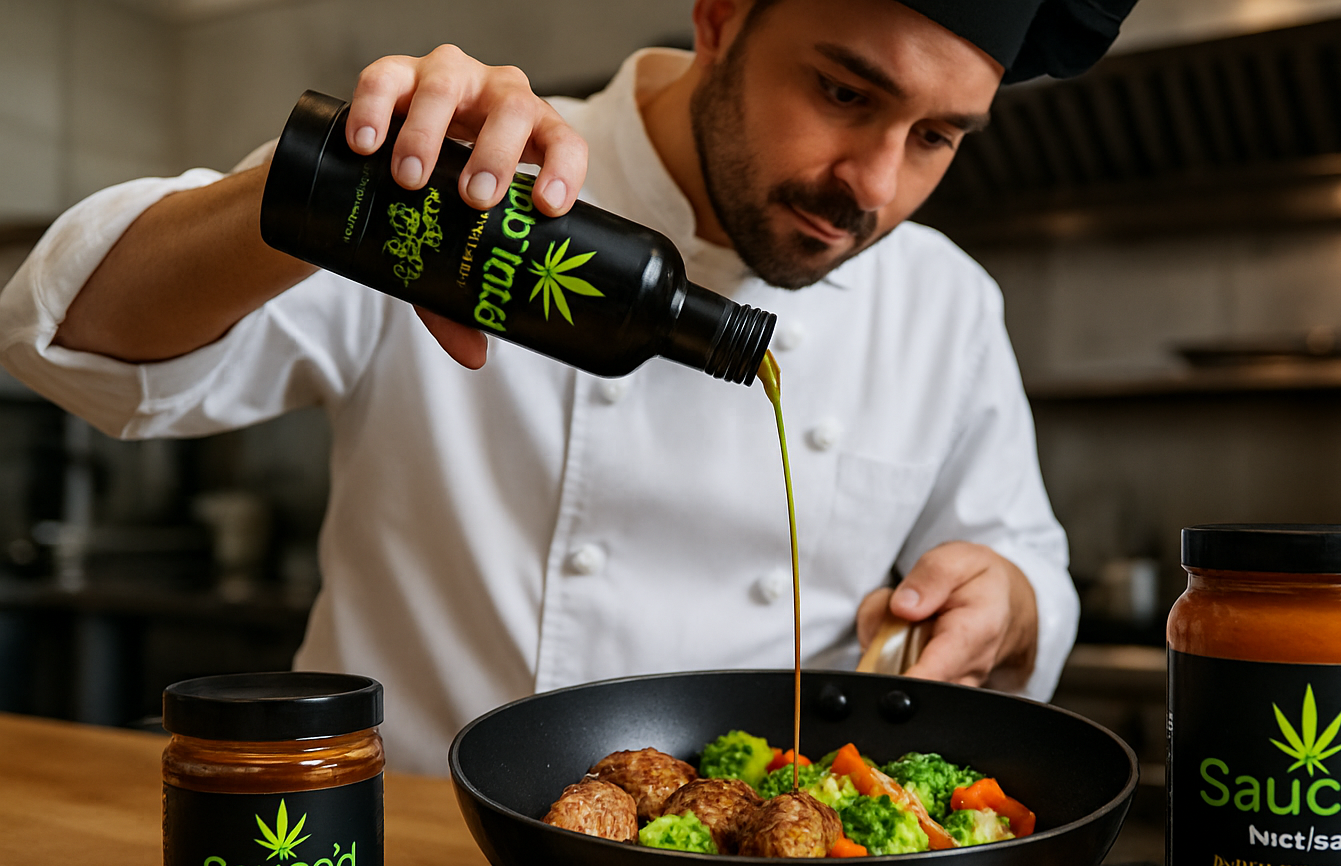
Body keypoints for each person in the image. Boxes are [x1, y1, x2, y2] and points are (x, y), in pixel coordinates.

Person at [0, 0, 1135, 773]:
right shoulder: (477, 184)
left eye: (937, 136)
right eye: (844, 93)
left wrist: (1007, 597)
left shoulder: (944, 302)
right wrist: (327, 195)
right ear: (722, 14)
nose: (874, 188)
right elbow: (64, 342)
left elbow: (1022, 561)